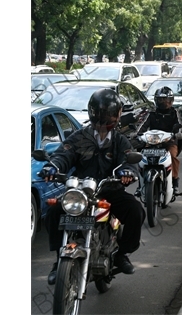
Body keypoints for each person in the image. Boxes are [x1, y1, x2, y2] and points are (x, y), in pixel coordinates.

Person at [39, 89, 146, 285]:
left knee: (136, 211)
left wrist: (127, 172)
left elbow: (130, 159)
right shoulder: (79, 137)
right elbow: (64, 154)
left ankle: (122, 253)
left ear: (117, 115)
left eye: (109, 115)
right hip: (80, 192)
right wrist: (51, 167)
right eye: (99, 114)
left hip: (110, 191)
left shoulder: (120, 140)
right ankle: (58, 261)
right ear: (91, 113)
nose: (103, 120)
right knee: (53, 212)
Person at [132, 86, 182, 195]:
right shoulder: (151, 113)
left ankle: (175, 183)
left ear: (171, 101)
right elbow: (143, 125)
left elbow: (180, 125)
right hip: (152, 141)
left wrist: (178, 134)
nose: (164, 103)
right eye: (161, 100)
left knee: (172, 156)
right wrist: (136, 134)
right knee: (141, 156)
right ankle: (140, 184)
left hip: (169, 142)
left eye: (166, 100)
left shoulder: (174, 112)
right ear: (156, 100)